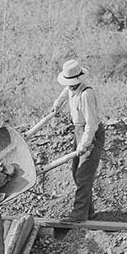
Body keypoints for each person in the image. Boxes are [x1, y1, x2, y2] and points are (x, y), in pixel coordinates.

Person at [33, 58, 105, 233]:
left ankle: (79, 214)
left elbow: (92, 124)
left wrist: (84, 145)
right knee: (75, 171)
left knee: (84, 173)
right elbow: (65, 93)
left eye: (72, 84)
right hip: (78, 130)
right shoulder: (71, 88)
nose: (70, 86)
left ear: (79, 80)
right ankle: (89, 210)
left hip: (90, 133)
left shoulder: (86, 94)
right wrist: (56, 106)